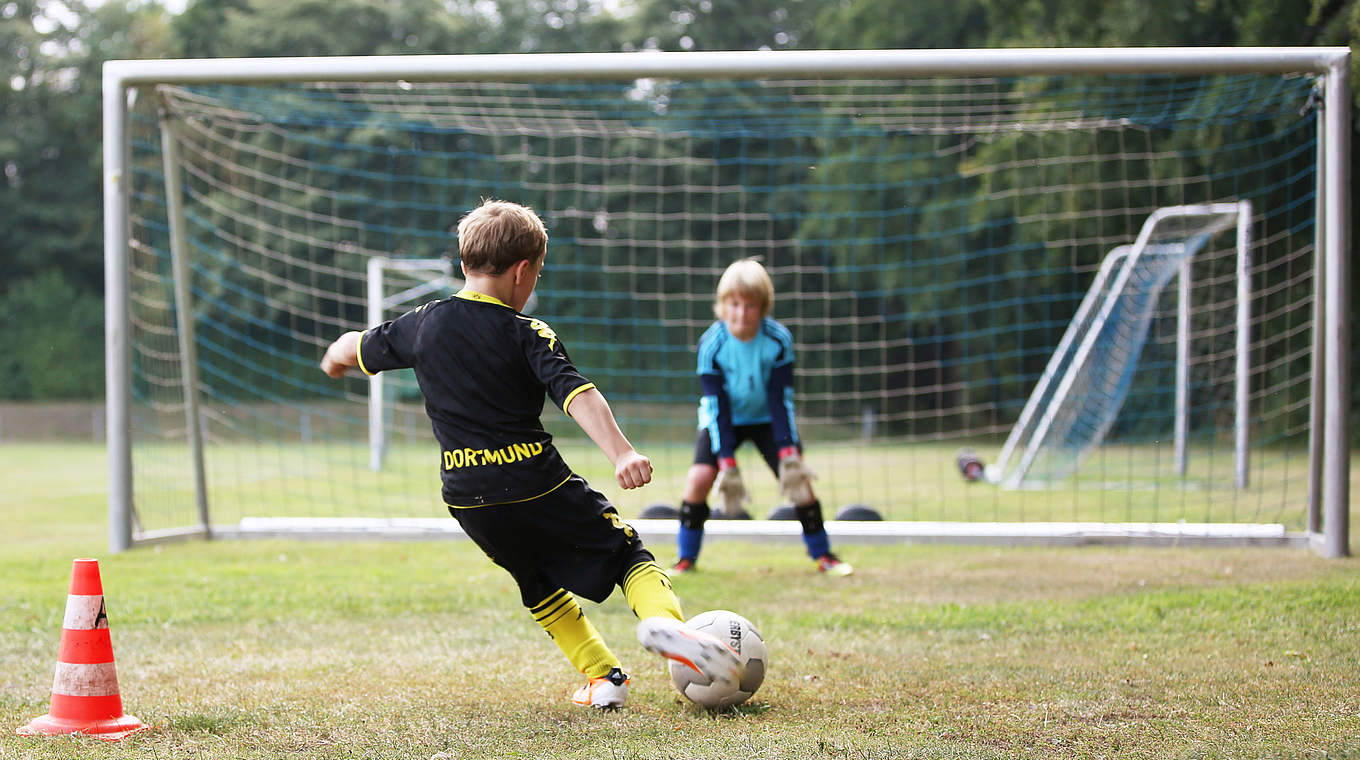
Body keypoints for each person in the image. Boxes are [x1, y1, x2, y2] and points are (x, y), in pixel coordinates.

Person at [319, 199, 738, 710]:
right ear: (523, 271)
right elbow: (575, 393)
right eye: (536, 273)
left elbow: (351, 345)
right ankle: (670, 629)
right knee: (627, 555)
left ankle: (604, 678)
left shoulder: (422, 324)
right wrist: (622, 451)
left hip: (469, 498)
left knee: (535, 580)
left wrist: (336, 360)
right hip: (535, 482)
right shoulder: (527, 332)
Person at [672, 258, 852, 577]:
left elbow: (780, 398)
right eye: (735, 304)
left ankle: (824, 556)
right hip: (723, 420)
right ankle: (686, 558)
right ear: (723, 305)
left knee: (799, 482)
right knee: (698, 479)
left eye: (751, 305)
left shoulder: (778, 340)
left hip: (768, 419)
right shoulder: (712, 344)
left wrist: (787, 449)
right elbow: (717, 406)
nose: (742, 313)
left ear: (764, 306)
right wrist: (726, 458)